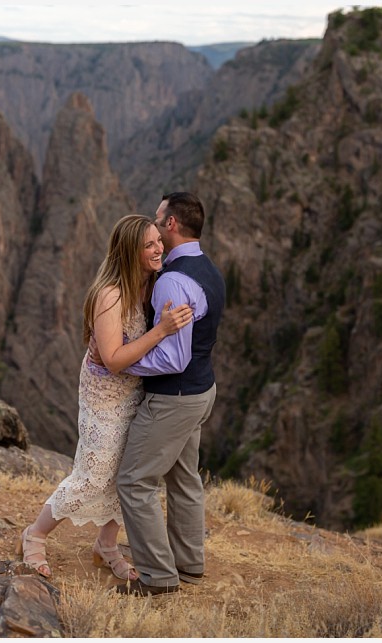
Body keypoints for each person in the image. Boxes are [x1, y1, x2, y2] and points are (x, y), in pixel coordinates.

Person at [16, 214, 194, 581]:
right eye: (149, 244)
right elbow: (113, 360)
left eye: (158, 240)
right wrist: (161, 330)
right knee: (94, 474)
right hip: (104, 396)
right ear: (131, 251)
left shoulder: (153, 284)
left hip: (135, 391)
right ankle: (35, 534)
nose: (159, 247)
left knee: (124, 472)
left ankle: (107, 544)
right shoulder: (110, 294)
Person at [112, 192, 226, 596]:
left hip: (174, 398)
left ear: (172, 223)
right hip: (201, 391)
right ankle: (189, 563)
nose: (155, 228)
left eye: (159, 220)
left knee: (134, 482)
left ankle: (158, 578)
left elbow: (173, 358)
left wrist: (123, 362)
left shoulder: (173, 281)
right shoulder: (208, 269)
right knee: (184, 478)